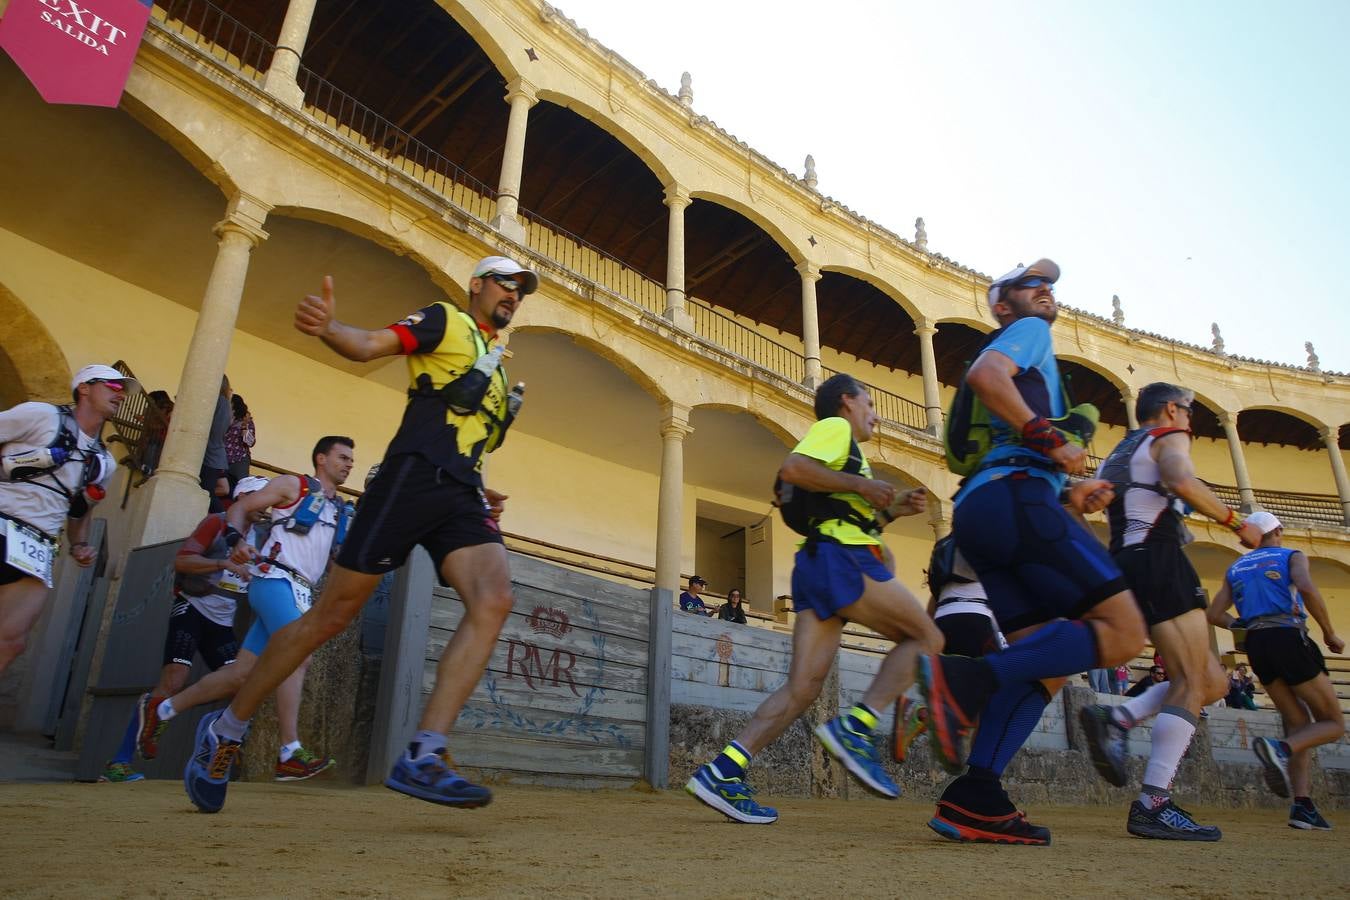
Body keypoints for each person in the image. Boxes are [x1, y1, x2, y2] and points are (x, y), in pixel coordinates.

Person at [185, 255, 537, 813]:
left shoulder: (496, 370)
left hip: (460, 493)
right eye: (505, 282)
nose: (514, 294)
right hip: (410, 478)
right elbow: (372, 344)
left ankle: (425, 751)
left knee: (495, 599)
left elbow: (472, 436)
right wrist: (330, 329)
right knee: (330, 618)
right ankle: (226, 730)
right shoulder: (448, 320)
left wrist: (479, 485)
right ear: (478, 285)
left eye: (523, 289)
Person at [917, 259, 1146, 846]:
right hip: (1016, 501)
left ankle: (977, 795)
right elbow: (989, 377)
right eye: (1028, 284)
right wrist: (1052, 439)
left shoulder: (1015, 354)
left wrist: (1067, 487)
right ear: (1002, 305)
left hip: (984, 508)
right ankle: (964, 682)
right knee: (1122, 633)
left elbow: (988, 440)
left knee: (1045, 665)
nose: (1044, 290)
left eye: (1048, 285)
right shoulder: (1027, 333)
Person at [687, 373, 943, 824]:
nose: (876, 415)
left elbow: (839, 509)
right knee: (927, 638)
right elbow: (794, 469)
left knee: (802, 690)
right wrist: (864, 487)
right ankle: (858, 727)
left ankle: (723, 771)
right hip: (840, 560)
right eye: (869, 403)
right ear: (847, 402)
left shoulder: (847, 454)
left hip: (818, 564)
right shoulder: (836, 428)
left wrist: (888, 510)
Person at [1078, 380, 1262, 840]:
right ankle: (1153, 803)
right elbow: (1180, 479)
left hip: (1133, 559)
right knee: (1190, 681)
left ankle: (1119, 718)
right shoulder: (1167, 437)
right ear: (1170, 410)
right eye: (1188, 411)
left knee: (1213, 682)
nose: (1190, 421)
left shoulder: (1119, 451)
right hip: (1158, 557)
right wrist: (1236, 522)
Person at [180, 439, 355, 806]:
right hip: (274, 579)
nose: (348, 464)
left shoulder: (339, 508)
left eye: (352, 460)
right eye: (342, 457)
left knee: (243, 673)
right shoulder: (294, 485)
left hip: (300, 590)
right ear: (321, 458)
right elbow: (242, 507)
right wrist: (234, 539)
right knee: (298, 655)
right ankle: (288, 751)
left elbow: (335, 558)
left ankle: (183, 716)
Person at [97, 476, 272, 782]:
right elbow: (182, 561)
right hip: (192, 608)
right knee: (173, 681)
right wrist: (222, 565)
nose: (267, 504)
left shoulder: (261, 536)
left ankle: (208, 758)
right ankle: (119, 763)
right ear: (243, 497)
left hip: (222, 621)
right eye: (261, 496)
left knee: (239, 684)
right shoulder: (215, 523)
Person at [1207, 511, 1345, 831]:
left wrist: (1240, 626)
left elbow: (1214, 613)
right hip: (1288, 636)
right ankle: (1277, 749)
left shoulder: (1236, 567)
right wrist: (1329, 632)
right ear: (1278, 531)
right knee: (1333, 723)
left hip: (1257, 645)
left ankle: (1302, 805)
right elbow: (1307, 589)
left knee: (1298, 723)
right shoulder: (1290, 556)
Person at [0, 364, 129, 676]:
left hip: (38, 548)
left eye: (123, 391)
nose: (122, 395)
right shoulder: (41, 415)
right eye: (113, 387)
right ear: (84, 388)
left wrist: (80, 544)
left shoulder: (104, 462)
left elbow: (80, 512)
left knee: (12, 642)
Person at [200, 375, 232, 513]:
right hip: (216, 453)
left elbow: (213, 428)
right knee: (207, 492)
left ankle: (223, 520)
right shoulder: (225, 404)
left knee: (207, 493)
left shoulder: (218, 401)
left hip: (211, 453)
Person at [224, 393, 255, 491]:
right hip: (222, 458)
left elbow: (250, 442)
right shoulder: (225, 417)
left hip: (239, 459)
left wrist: (244, 427)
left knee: (240, 488)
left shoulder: (246, 421)